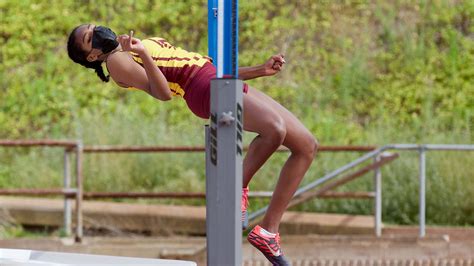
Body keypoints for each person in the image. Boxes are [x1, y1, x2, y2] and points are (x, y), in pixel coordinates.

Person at [67, 24, 318, 265]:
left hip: (218, 80)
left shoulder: (128, 48)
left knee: (306, 145)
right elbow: (163, 93)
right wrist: (142, 52)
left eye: (93, 27)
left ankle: (269, 231)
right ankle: (236, 187)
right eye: (90, 38)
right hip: (203, 90)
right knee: (274, 129)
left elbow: (203, 66)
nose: (98, 31)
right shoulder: (116, 60)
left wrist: (259, 70)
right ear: (92, 57)